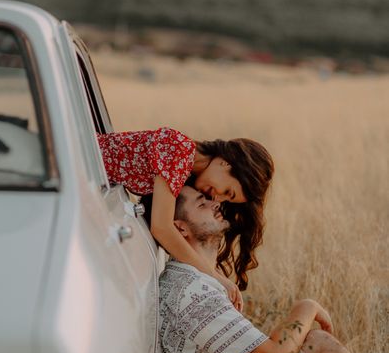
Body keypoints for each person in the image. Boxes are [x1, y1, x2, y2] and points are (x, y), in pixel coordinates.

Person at [158, 185, 389, 353]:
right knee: (320, 346)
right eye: (202, 205)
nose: (215, 204)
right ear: (180, 228)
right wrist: (308, 306)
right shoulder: (193, 290)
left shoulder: (191, 277)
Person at [98, 128, 274, 309]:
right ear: (225, 164)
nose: (218, 199)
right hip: (71, 169)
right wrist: (214, 277)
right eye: (228, 192)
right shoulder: (178, 151)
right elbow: (162, 228)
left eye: (227, 199)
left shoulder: (184, 168)